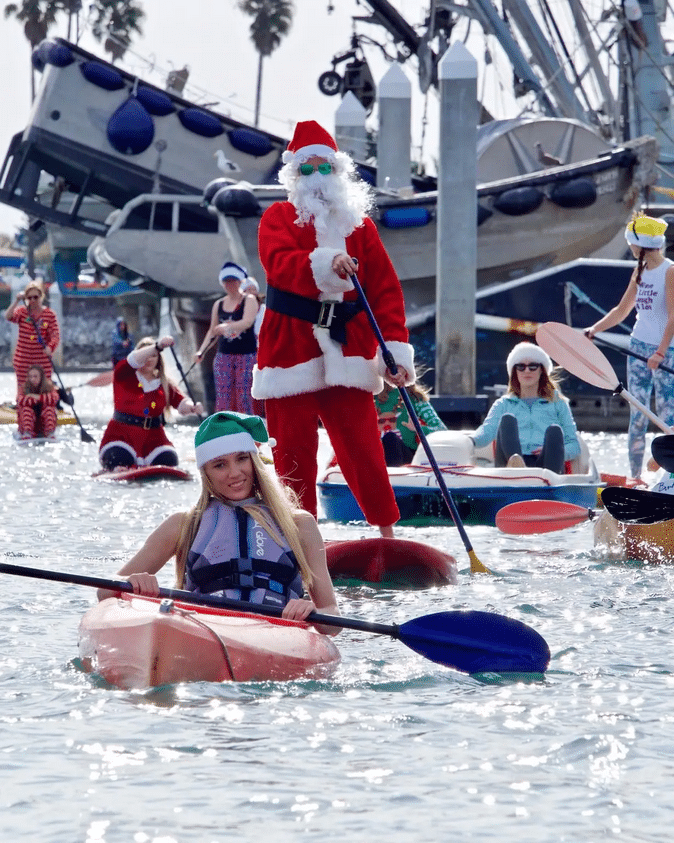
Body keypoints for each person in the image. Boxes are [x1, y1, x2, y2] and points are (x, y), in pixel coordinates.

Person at [251, 120, 414, 538]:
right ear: (293, 175)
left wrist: (393, 352)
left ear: (340, 172)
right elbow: (279, 263)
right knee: (292, 454)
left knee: (364, 449)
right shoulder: (278, 217)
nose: (317, 177)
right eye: (307, 169)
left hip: (349, 349)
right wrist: (326, 263)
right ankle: (297, 538)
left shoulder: (361, 228)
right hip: (291, 348)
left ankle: (386, 534)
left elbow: (385, 291)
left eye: (325, 168)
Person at [96, 411, 340, 633]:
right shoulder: (183, 524)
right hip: (208, 631)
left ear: (254, 461)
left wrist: (314, 614)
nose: (234, 473)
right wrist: (130, 583)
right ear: (206, 472)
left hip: (278, 632)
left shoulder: (299, 524)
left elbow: (332, 617)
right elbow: (105, 590)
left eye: (242, 459)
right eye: (220, 464)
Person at [585, 213, 674, 481]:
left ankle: (670, 475)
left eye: (632, 244)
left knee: (668, 415)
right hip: (638, 347)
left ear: (641, 244)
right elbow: (622, 310)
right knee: (637, 414)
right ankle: (635, 477)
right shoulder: (640, 272)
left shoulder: (670, 271)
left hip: (666, 352)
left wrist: (660, 352)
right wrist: (594, 329)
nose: (631, 249)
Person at [470, 342, 580, 473]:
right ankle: (517, 467)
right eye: (521, 367)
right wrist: (470, 440)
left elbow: (574, 446)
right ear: (515, 372)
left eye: (533, 366)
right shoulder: (503, 404)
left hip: (545, 465)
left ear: (541, 370)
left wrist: (554, 450)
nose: (527, 370)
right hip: (508, 465)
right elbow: (487, 431)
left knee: (554, 431)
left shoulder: (559, 404)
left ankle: (543, 480)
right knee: (507, 420)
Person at [99, 335, 203, 471]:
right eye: (146, 355)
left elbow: (181, 404)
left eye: (153, 355)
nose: (148, 359)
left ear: (158, 359)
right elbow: (132, 360)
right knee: (118, 458)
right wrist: (157, 347)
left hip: (154, 437)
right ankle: (120, 465)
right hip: (121, 434)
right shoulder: (123, 373)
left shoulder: (165, 384)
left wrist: (193, 407)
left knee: (169, 460)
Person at [194, 262, 259, 414]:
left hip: (246, 355)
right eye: (227, 281)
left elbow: (247, 322)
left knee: (244, 395)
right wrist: (201, 351)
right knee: (223, 397)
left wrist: (228, 327)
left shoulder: (249, 300)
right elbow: (212, 331)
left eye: (233, 281)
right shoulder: (219, 304)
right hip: (224, 355)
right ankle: (222, 430)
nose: (230, 284)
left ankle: (246, 429)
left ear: (240, 281)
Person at [4, 281, 60, 400]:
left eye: (36, 297)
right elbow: (8, 316)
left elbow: (55, 335)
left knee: (44, 387)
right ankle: (23, 407)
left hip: (42, 359)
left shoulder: (49, 314)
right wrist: (16, 301)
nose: (33, 300)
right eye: (29, 298)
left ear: (41, 296)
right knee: (23, 388)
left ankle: (45, 408)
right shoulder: (22, 312)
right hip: (23, 359)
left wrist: (50, 347)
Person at [375, 380, 447, 466]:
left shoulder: (415, 397)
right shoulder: (367, 398)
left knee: (390, 438)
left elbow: (441, 430)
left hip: (408, 457)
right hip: (375, 455)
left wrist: (418, 428)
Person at [16, 365, 60, 440]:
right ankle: (27, 433)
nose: (32, 379)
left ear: (41, 377)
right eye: (30, 377)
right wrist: (41, 399)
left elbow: (54, 398)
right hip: (27, 425)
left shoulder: (49, 387)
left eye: (35, 376)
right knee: (26, 409)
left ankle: (50, 433)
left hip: (43, 424)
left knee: (49, 409)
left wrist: (36, 397)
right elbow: (20, 400)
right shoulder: (23, 389)